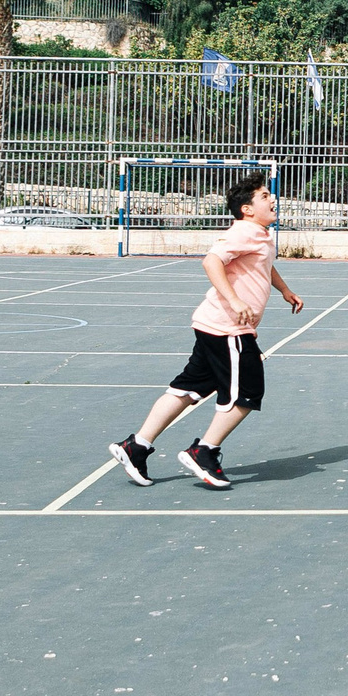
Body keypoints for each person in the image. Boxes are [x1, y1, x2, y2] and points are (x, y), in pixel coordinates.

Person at [108, 173, 302, 490]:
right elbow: (211, 262)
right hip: (229, 329)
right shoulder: (244, 232)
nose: (272, 199)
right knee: (248, 392)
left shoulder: (259, 234)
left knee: (188, 388)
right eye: (265, 196)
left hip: (211, 325)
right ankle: (204, 451)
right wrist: (235, 299)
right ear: (247, 209)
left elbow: (264, 265)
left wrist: (284, 290)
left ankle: (137, 446)